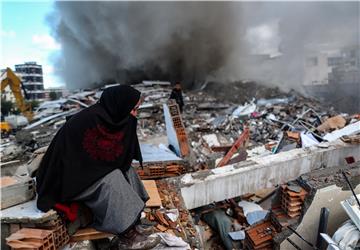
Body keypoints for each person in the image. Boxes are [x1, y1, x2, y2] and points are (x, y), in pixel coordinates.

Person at [36, 85, 160, 249]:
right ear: (120, 104)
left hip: (87, 170)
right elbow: (76, 160)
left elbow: (116, 155)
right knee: (112, 178)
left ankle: (133, 222)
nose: (135, 115)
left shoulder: (109, 118)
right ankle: (127, 236)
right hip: (66, 180)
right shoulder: (88, 121)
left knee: (126, 170)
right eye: (134, 109)